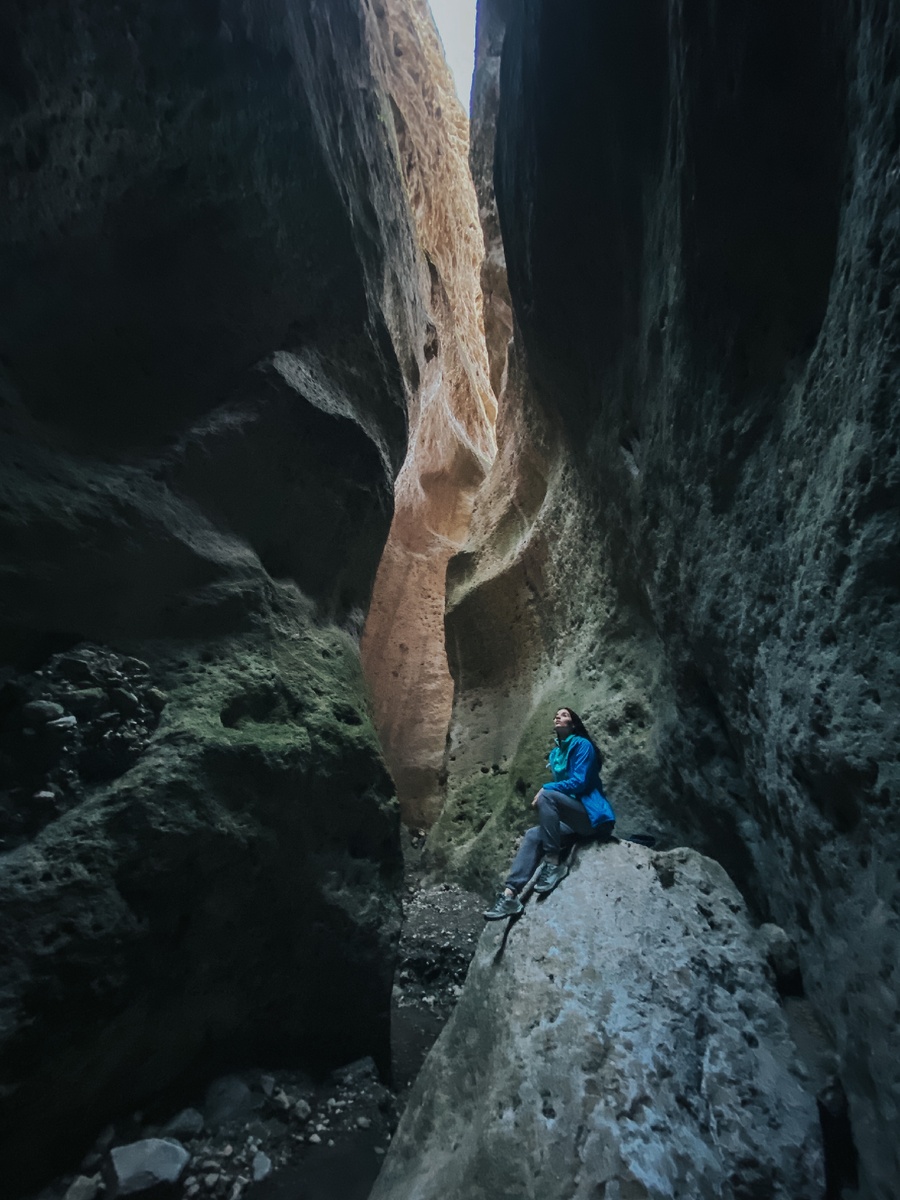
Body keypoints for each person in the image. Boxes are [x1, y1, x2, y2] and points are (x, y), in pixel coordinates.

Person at [483, 707, 615, 919]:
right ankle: (509, 895)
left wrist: (546, 789)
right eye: (556, 715)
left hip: (592, 819)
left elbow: (580, 783)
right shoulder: (556, 754)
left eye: (564, 715)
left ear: (573, 724)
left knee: (547, 795)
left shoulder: (583, 745)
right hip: (573, 823)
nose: (557, 717)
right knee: (533, 835)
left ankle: (552, 863)